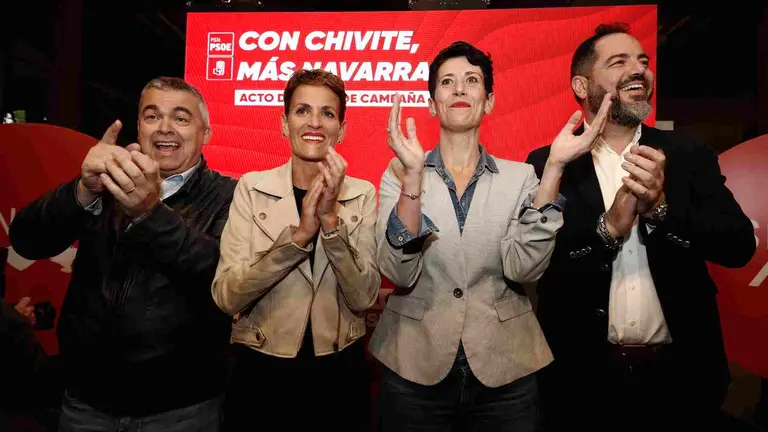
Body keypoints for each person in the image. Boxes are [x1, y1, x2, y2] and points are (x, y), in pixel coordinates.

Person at [369, 40, 612, 431]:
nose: (460, 89)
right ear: (432, 103)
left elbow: (524, 269)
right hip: (414, 363)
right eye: (447, 82)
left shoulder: (522, 177)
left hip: (507, 367)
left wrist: (554, 169)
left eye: (472, 80)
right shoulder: (398, 173)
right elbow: (400, 272)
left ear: (490, 100)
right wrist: (413, 177)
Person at [525, 23, 757, 431]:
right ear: (582, 86)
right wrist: (607, 230)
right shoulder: (549, 163)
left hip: (680, 380)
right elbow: (537, 268)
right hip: (582, 383)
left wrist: (662, 211)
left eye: (643, 62)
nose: (639, 70)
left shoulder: (687, 153)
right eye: (619, 62)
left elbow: (739, 246)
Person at [9, 77, 236, 431]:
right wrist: (82, 191)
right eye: (152, 116)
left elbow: (220, 278)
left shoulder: (231, 196)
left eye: (181, 118)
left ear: (205, 132)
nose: (165, 128)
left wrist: (149, 213)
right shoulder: (106, 182)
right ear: (139, 127)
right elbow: (26, 239)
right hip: (86, 406)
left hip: (180, 411)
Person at [211, 69, 380, 431]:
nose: (314, 122)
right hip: (260, 374)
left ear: (342, 129)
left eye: (327, 113)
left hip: (338, 375)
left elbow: (364, 296)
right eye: (302, 111)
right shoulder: (251, 188)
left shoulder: (362, 193)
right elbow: (227, 296)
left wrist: (331, 223)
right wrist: (300, 236)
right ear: (284, 123)